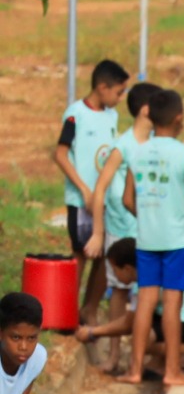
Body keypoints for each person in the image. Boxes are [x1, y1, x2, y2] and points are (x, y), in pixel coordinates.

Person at [120, 85, 184, 389]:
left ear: (150, 116)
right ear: (179, 118)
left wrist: (146, 218)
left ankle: (134, 369)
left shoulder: (137, 151)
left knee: (145, 302)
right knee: (172, 304)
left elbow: (127, 199)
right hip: (177, 240)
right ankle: (172, 370)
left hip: (147, 238)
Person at [57, 57, 129, 304]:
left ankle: (90, 309)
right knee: (81, 253)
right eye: (119, 92)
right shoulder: (75, 114)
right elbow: (60, 154)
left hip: (106, 199)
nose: (120, 98)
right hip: (81, 200)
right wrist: (85, 190)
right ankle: (68, 310)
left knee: (104, 254)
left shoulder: (113, 117)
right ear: (102, 87)